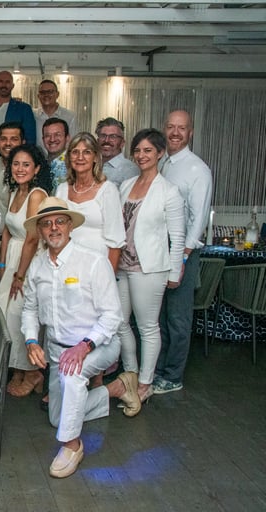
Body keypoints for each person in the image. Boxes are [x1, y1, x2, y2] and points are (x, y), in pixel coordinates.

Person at [21, 196, 140, 478]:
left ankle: (72, 445)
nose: (54, 228)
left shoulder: (94, 262)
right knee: (57, 417)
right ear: (40, 231)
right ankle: (117, 389)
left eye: (60, 221)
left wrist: (84, 347)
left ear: (70, 226)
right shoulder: (37, 266)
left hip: (98, 345)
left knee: (72, 375)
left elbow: (113, 316)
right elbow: (29, 309)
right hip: (56, 350)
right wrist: (31, 341)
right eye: (46, 224)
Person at [117, 129, 185, 404]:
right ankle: (131, 374)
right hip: (122, 264)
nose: (141, 155)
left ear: (160, 153)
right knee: (120, 323)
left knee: (147, 327)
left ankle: (145, 383)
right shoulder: (126, 185)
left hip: (150, 268)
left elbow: (178, 236)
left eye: (147, 150)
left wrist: (174, 271)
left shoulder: (169, 191)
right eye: (137, 150)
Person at [154, 110, 213, 394]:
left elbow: (198, 220)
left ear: (190, 132)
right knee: (161, 316)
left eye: (182, 128)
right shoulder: (162, 162)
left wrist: (183, 257)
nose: (175, 133)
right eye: (171, 127)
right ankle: (159, 370)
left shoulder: (197, 169)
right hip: (160, 249)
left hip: (182, 251)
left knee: (178, 318)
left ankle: (173, 376)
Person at [0, 144, 48, 397]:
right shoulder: (15, 190)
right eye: (16, 164)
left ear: (36, 169)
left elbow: (33, 238)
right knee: (6, 314)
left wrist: (20, 275)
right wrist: (3, 263)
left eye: (26, 164)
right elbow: (7, 229)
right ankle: (17, 369)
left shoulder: (36, 195)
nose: (20, 169)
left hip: (30, 260)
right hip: (13, 257)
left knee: (20, 314)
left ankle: (33, 371)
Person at [55, 133, 125, 271]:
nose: (80, 157)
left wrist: (109, 277)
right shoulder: (62, 190)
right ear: (69, 157)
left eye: (86, 152)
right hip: (66, 264)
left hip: (97, 265)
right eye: (75, 152)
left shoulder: (108, 190)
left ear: (96, 157)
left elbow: (115, 243)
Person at [0, 122, 27, 296]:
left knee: (13, 297)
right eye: (3, 139)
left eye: (14, 139)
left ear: (22, 142)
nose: (8, 143)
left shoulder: (22, 173)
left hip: (10, 244)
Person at [0, 71, 36, 145]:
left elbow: (30, 139)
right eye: (1, 81)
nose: (4, 85)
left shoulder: (24, 109)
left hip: (14, 151)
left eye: (7, 82)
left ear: (12, 86)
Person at [96, 117, 139, 187]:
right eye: (103, 136)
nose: (106, 140)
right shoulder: (91, 166)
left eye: (113, 136)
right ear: (97, 141)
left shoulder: (130, 170)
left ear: (122, 143)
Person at [34, 80, 77, 149]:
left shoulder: (70, 116)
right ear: (38, 96)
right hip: (37, 156)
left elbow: (73, 143)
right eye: (42, 92)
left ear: (57, 94)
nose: (46, 95)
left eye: (50, 92)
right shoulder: (32, 115)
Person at [41, 117, 70, 191]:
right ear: (43, 140)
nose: (52, 139)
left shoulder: (73, 164)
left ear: (67, 138)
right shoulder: (41, 164)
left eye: (57, 135)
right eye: (47, 135)